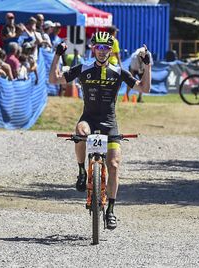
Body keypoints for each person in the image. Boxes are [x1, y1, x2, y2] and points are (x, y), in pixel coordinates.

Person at [49, 31, 151, 230]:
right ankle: (81, 171)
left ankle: (111, 210)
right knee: (80, 130)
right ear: (93, 48)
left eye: (106, 48)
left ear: (111, 50)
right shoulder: (84, 68)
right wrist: (57, 55)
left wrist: (147, 65)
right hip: (89, 119)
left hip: (109, 123)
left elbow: (144, 89)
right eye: (99, 47)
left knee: (113, 165)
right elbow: (55, 80)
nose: (102, 51)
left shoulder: (118, 71)